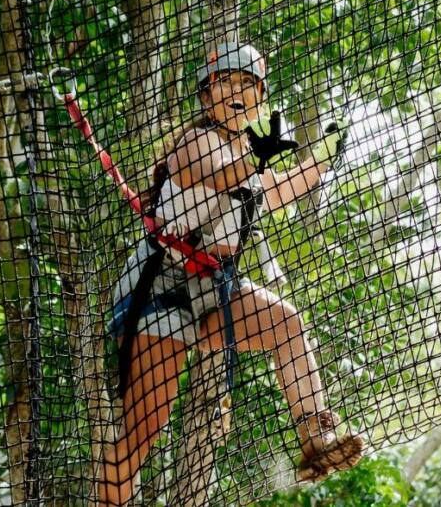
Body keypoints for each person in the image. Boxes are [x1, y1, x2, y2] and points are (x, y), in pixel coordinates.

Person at [97, 43, 364, 505]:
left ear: (260, 98)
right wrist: (258, 154)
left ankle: (314, 441)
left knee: (287, 325)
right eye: (227, 83)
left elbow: (280, 189)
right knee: (144, 433)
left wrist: (322, 160)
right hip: (162, 289)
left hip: (216, 288)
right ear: (206, 96)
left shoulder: (248, 158)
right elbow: (216, 174)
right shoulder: (194, 141)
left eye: (249, 85)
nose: (238, 92)